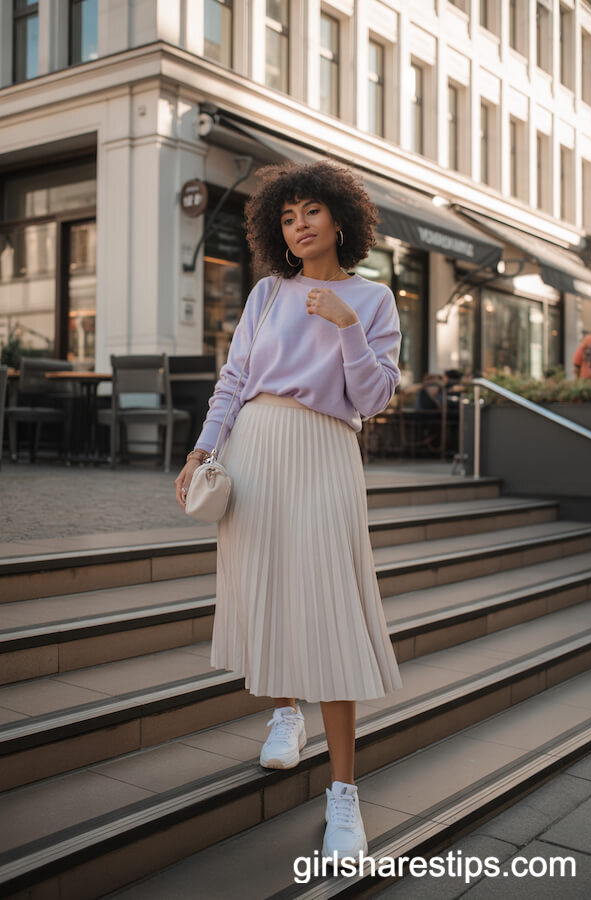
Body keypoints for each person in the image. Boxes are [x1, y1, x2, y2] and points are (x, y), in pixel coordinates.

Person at [174, 160, 404, 865]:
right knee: (261, 587)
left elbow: (373, 399)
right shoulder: (269, 294)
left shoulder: (373, 300)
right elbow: (234, 380)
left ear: (340, 219)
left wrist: (345, 328)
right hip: (256, 448)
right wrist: (200, 450)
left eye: (310, 211)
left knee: (331, 610)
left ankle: (343, 797)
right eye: (286, 215)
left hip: (325, 452)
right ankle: (282, 711)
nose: (299, 225)